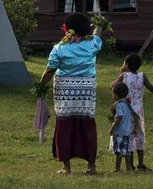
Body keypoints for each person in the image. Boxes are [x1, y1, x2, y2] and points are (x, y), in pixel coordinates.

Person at [38, 12, 109, 175]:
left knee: (65, 125)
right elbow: (98, 34)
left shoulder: (59, 48)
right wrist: (99, 23)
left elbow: (50, 70)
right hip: (86, 91)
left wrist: (40, 85)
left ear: (68, 29)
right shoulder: (92, 44)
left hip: (65, 91)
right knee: (87, 125)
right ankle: (91, 166)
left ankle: (66, 167)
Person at [112, 53, 150, 171]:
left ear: (126, 64)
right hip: (138, 110)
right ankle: (140, 163)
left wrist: (121, 72)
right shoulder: (142, 76)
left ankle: (131, 165)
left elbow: (112, 86)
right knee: (139, 135)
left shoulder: (124, 75)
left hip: (127, 108)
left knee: (129, 135)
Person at [109, 81, 134, 172]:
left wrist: (113, 128)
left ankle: (117, 168)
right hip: (127, 130)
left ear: (116, 95)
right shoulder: (128, 104)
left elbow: (120, 117)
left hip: (119, 131)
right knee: (126, 151)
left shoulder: (118, 105)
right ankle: (128, 167)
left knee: (118, 151)